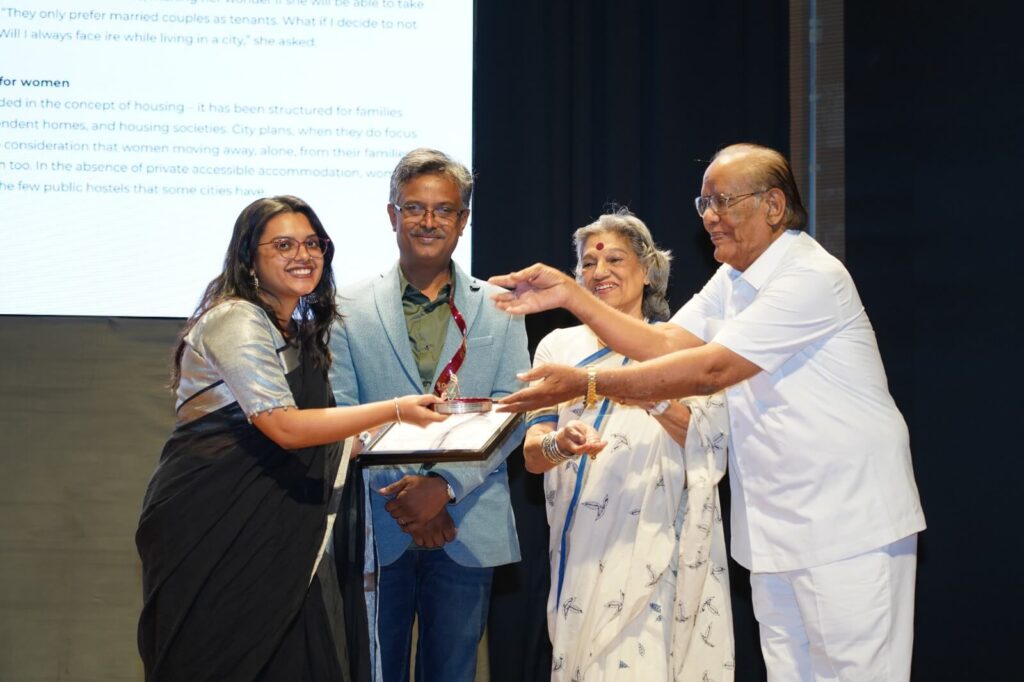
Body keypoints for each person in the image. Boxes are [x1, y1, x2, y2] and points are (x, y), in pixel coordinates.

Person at [490, 143, 926, 681]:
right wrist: (569, 295)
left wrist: (591, 383)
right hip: (774, 531)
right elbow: (664, 343)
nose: (709, 217)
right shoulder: (734, 280)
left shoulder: (810, 275)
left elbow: (711, 370)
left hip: (847, 524)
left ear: (772, 205)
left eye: (722, 201)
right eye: (704, 203)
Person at [135, 195, 445, 681]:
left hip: (281, 536)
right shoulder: (236, 319)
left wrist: (383, 439)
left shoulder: (299, 332)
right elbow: (282, 427)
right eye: (283, 245)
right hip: (214, 524)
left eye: (313, 244)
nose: (303, 255)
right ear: (249, 258)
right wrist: (395, 409)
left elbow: (320, 435)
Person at [328, 148, 530, 682]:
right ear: (392, 214)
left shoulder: (502, 307)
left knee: (453, 672)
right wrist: (410, 498)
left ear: (463, 221)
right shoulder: (346, 307)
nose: (428, 221)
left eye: (444, 210)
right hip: (380, 518)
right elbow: (342, 414)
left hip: (469, 517)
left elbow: (514, 414)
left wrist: (443, 488)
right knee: (374, 670)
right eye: (414, 208)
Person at [523, 209, 734, 680]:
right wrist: (561, 443)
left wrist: (648, 395)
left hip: (658, 538)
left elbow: (708, 441)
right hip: (582, 548)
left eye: (615, 260)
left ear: (648, 271)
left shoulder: (682, 349)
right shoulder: (556, 347)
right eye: (588, 264)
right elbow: (533, 456)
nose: (600, 272)